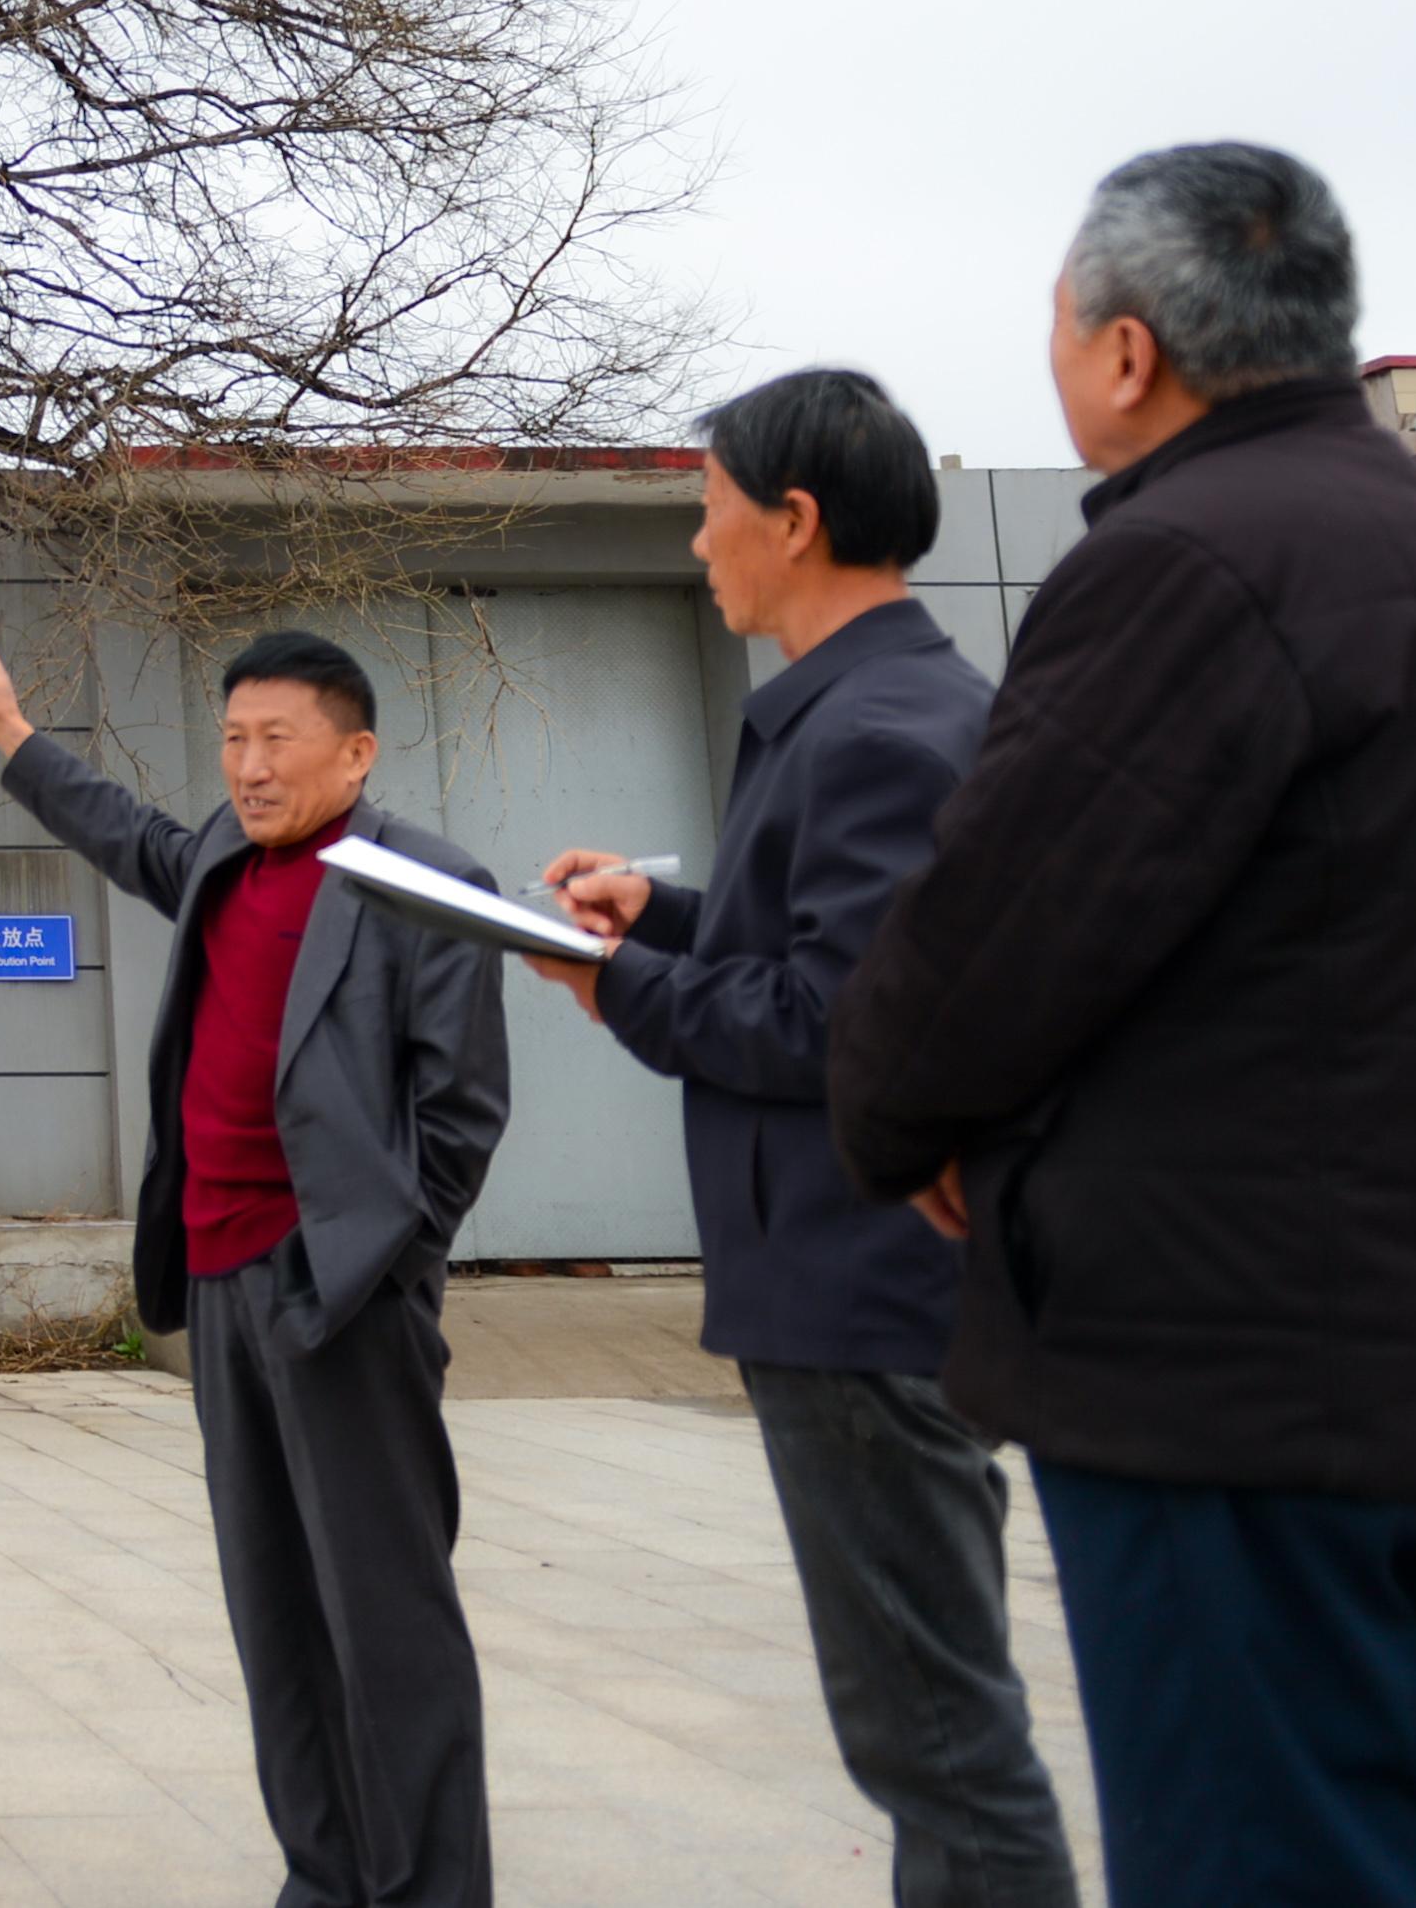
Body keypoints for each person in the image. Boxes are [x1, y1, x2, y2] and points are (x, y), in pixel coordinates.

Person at [829, 144, 1416, 1908]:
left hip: (1226, 1381)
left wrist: (899, 1112)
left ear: (1126, 351)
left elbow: (994, 936)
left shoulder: (1187, 560)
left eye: (1055, 319)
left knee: (1266, 1856)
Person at [520, 367, 1080, 1908]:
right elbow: (837, 946)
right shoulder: (878, 706)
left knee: (934, 1741)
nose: (696, 541)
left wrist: (614, 984)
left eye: (709, 508)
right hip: (859, 1286)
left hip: (860, 1290)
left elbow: (840, 1018)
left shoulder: (876, 726)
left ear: (794, 519)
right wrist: (664, 914)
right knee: (926, 1730)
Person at [0, 621, 510, 1908]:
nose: (249, 766)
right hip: (217, 1284)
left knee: (387, 1614)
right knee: (274, 1609)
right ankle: (324, 1874)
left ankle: (430, 1889)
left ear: (356, 753)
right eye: (234, 740)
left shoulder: (426, 884)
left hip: (341, 1297)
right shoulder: (219, 856)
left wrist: (376, 1267)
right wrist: (14, 736)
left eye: (278, 740)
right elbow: (127, 832)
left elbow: (463, 1115)